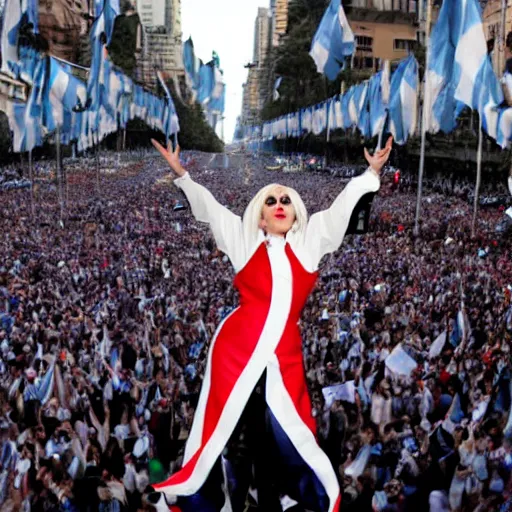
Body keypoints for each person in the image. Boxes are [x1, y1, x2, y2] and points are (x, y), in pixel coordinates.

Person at [149, 137, 393, 511]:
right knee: (220, 429)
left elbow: (341, 211)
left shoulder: (309, 245)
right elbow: (211, 210)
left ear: (295, 211)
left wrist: (371, 173)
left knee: (291, 434)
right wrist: (181, 173)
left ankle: (295, 498)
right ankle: (206, 498)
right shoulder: (245, 242)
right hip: (236, 348)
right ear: (259, 216)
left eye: (285, 200)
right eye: (270, 201)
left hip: (284, 353)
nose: (279, 205)